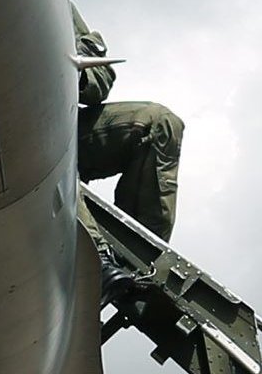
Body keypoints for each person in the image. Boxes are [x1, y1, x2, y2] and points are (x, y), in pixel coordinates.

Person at [71, 21, 184, 241]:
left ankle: (141, 252)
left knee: (159, 122)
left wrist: (80, 77)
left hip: (55, 126)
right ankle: (94, 252)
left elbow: (100, 73)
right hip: (6, 144)